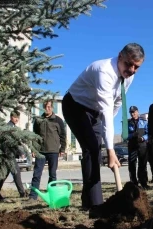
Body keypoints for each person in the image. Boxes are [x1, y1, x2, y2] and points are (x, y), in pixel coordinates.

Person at [62, 43, 145, 210]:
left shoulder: (129, 76)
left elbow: (118, 102)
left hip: (95, 111)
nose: (132, 69)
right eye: (129, 64)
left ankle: (88, 200)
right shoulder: (104, 71)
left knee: (94, 152)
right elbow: (106, 110)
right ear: (120, 56)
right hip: (75, 106)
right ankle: (95, 204)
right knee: (92, 148)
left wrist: (105, 129)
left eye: (136, 67)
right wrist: (111, 151)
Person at [28, 99, 66, 202]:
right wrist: (34, 149)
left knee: (52, 175)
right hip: (41, 151)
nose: (47, 109)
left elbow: (63, 135)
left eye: (49, 107)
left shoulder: (58, 120)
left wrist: (62, 148)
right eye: (45, 107)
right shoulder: (38, 120)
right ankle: (32, 196)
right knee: (36, 174)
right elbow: (34, 136)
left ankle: (52, 195)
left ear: (52, 108)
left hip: (53, 151)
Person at [0, 111, 26, 201]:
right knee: (16, 173)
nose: (17, 119)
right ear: (11, 117)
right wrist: (19, 152)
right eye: (15, 117)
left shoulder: (13, 127)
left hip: (9, 154)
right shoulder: (9, 128)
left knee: (3, 174)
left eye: (18, 117)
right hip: (9, 154)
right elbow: (9, 143)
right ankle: (22, 193)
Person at [127, 106, 149, 189]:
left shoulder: (144, 122)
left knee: (142, 165)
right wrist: (132, 135)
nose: (133, 114)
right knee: (132, 165)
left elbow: (148, 133)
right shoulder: (128, 123)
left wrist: (143, 138)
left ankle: (143, 183)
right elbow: (124, 135)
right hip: (132, 146)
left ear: (138, 112)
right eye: (131, 112)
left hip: (142, 145)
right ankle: (134, 184)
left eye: (134, 112)